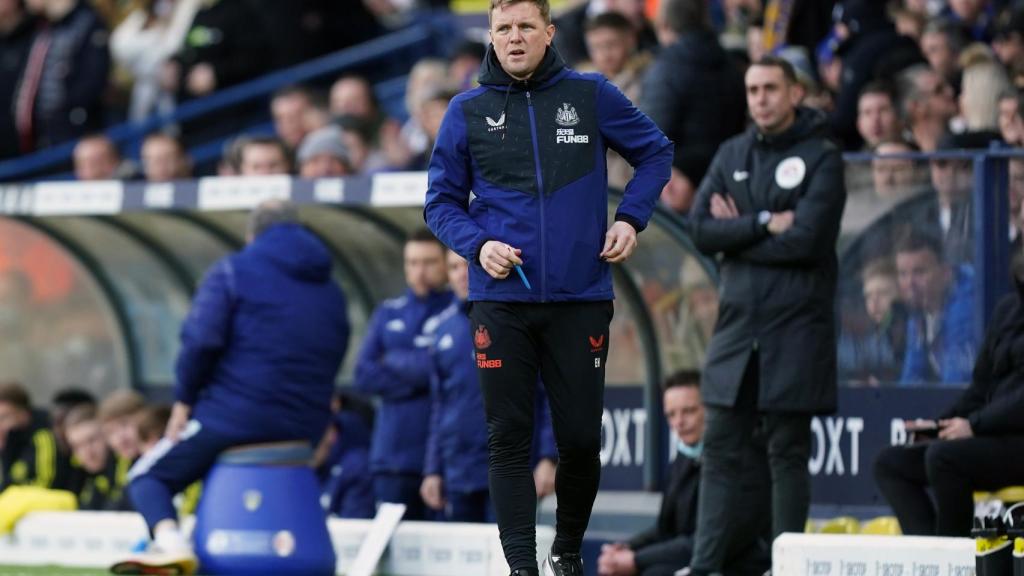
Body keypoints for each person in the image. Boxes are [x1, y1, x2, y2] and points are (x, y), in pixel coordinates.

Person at [423, 0, 672, 571]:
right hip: (499, 300)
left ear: (549, 32)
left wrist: (631, 218)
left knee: (580, 440)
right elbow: (439, 202)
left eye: (526, 27)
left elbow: (656, 151)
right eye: (503, 28)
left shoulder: (591, 94)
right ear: (489, 35)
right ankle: (521, 566)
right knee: (507, 438)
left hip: (580, 297)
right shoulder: (466, 109)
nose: (514, 38)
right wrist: (477, 245)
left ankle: (566, 553)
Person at [114, 200, 349, 574]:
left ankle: (170, 545)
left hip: (234, 417)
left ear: (251, 235)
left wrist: (183, 402)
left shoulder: (234, 271)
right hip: (304, 425)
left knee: (146, 477)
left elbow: (199, 342)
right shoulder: (332, 289)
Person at [687, 56, 846, 575]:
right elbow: (700, 230)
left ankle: (786, 568)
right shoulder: (732, 152)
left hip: (796, 327)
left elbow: (808, 239)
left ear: (795, 93)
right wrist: (764, 222)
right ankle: (705, 566)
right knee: (720, 452)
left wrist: (739, 238)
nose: (760, 98)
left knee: (786, 452)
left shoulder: (823, 156)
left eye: (771, 88)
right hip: (737, 330)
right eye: (753, 89)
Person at [875, 251, 1024, 535]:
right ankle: (930, 557)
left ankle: (953, 559)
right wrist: (938, 426)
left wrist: (974, 425)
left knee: (944, 459)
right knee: (890, 464)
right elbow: (980, 389)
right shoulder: (1008, 309)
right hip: (992, 438)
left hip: (1016, 442)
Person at [421, 251, 557, 523]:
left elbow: (546, 396)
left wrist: (547, 458)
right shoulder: (441, 330)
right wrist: (433, 469)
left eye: (466, 265)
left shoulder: (517, 323)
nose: (461, 274)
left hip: (510, 469)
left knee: (509, 558)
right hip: (458, 472)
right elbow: (439, 405)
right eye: (453, 267)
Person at [353, 229, 454, 522]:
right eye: (412, 263)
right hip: (392, 460)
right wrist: (423, 378)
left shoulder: (458, 313)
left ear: (445, 264)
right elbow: (363, 374)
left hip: (439, 461)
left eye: (428, 262)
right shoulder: (388, 313)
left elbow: (444, 370)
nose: (419, 271)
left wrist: (393, 361)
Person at [640, 0, 745, 216]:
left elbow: (648, 139)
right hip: (726, 186)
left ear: (665, 25)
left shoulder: (666, 68)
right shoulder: (729, 63)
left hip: (675, 193)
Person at [597, 371, 705, 576]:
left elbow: (703, 541)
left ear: (709, 409)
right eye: (671, 415)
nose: (679, 422)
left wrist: (636, 559)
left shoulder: (730, 464)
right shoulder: (681, 462)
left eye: (689, 411)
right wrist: (626, 548)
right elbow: (665, 529)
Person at [895, 228, 976, 386]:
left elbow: (956, 387)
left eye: (919, 272)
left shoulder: (966, 309)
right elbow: (911, 378)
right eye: (903, 274)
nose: (910, 283)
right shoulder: (918, 312)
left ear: (945, 273)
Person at [65, 404, 132, 511]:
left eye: (92, 440)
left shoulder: (128, 462)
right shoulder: (81, 476)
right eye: (77, 446)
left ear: (107, 435)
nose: (87, 452)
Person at [0, 382, 65, 491]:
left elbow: (46, 483)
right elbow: (7, 480)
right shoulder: (11, 435)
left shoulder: (44, 432)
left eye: (4, 417)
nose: (1, 424)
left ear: (22, 412)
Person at [856, 82, 902, 150]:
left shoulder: (919, 156)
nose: (875, 119)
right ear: (858, 124)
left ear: (900, 118)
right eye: (867, 112)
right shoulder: (848, 159)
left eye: (883, 110)